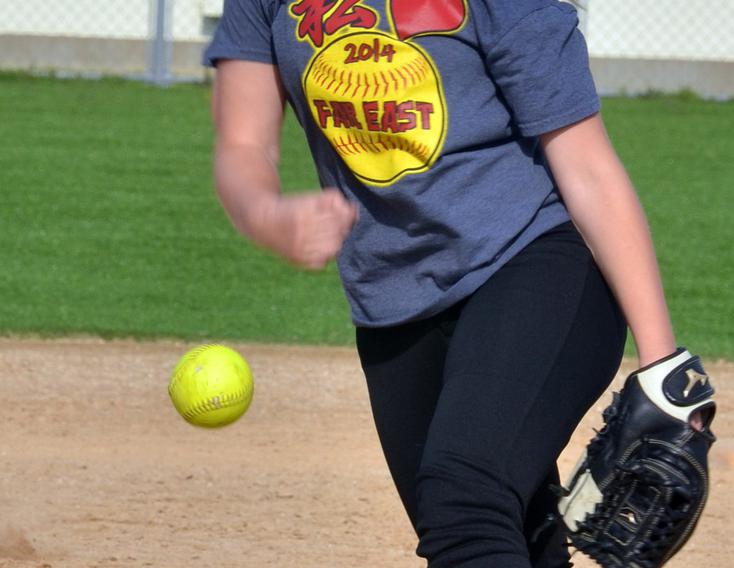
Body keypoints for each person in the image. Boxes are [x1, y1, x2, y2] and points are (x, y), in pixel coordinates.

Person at [205, 1, 701, 566]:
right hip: (393, 300)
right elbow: (243, 144)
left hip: (536, 262)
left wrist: (663, 366)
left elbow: (587, 166)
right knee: (502, 527)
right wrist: (268, 215)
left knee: (464, 502)